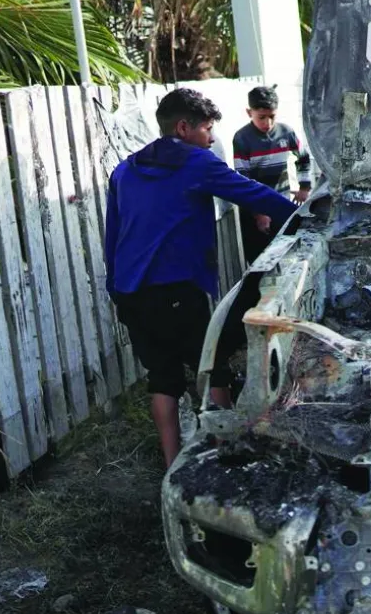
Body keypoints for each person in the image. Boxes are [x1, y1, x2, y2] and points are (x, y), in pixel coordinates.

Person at [104, 88, 299, 465]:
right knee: (213, 364)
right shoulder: (197, 162)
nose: (211, 139)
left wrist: (115, 286)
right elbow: (255, 195)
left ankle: (172, 463)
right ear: (183, 127)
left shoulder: (124, 169)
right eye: (208, 129)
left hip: (129, 290)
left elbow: (112, 235)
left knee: (161, 376)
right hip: (175, 287)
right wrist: (306, 217)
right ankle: (228, 453)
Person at [231, 86, 311, 262]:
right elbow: (243, 180)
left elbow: (303, 158)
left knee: (286, 257)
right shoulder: (242, 139)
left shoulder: (286, 132)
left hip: (280, 205)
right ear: (248, 112)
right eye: (262, 117)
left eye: (272, 117)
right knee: (260, 262)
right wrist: (259, 213)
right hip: (255, 212)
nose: (267, 123)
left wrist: (304, 187)